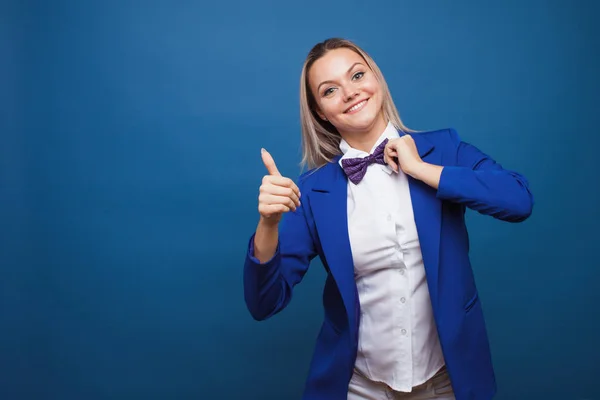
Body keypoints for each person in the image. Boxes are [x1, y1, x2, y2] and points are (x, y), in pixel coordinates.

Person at [243, 38, 533, 400]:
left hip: (449, 382)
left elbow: (518, 200)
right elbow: (264, 303)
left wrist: (423, 170)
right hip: (358, 387)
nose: (350, 93)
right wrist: (268, 223)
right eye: (330, 90)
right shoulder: (315, 192)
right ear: (320, 112)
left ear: (375, 79)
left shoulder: (443, 149)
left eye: (357, 75)